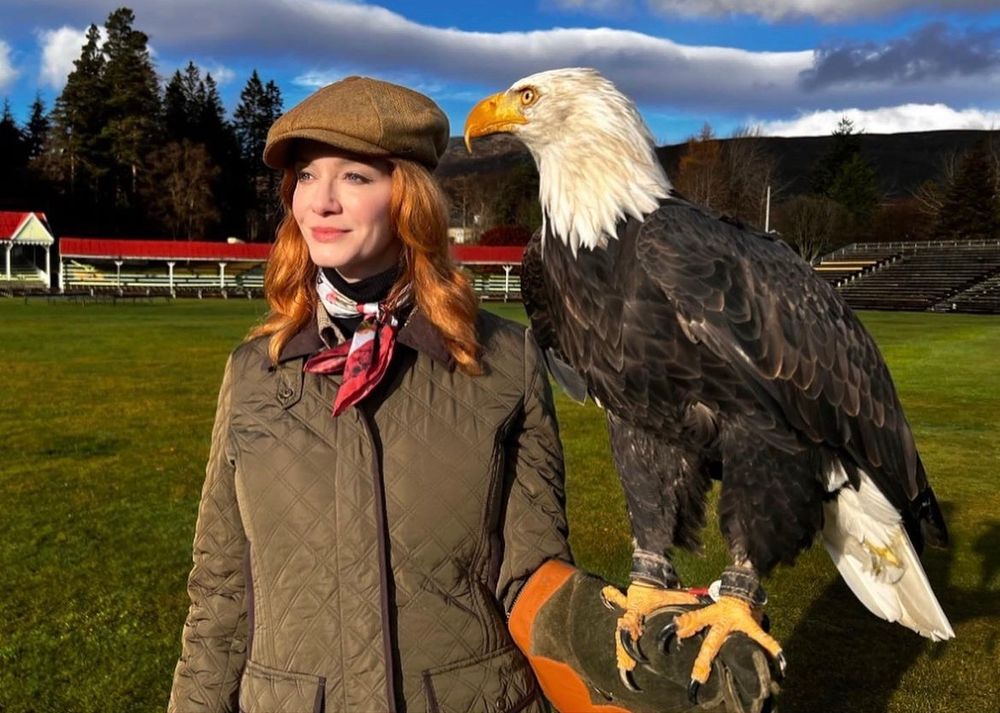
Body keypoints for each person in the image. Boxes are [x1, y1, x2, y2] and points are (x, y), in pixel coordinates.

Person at [167, 76, 773, 713]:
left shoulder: (503, 361)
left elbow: (530, 575)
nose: (321, 202)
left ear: (409, 197)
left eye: (354, 177)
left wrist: (630, 652)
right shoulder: (253, 375)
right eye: (307, 177)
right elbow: (221, 591)